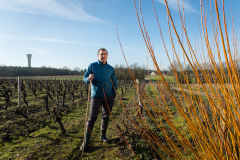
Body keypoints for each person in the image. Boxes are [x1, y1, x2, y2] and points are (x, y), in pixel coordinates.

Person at [80, 48, 117, 151]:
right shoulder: (92, 66)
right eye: (101, 54)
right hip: (96, 96)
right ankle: (86, 142)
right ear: (98, 56)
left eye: (105, 54)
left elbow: (114, 81)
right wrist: (88, 79)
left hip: (109, 96)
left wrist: (114, 94)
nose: (103, 56)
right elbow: (84, 78)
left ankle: (103, 136)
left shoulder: (111, 68)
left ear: (107, 56)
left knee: (106, 116)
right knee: (92, 118)